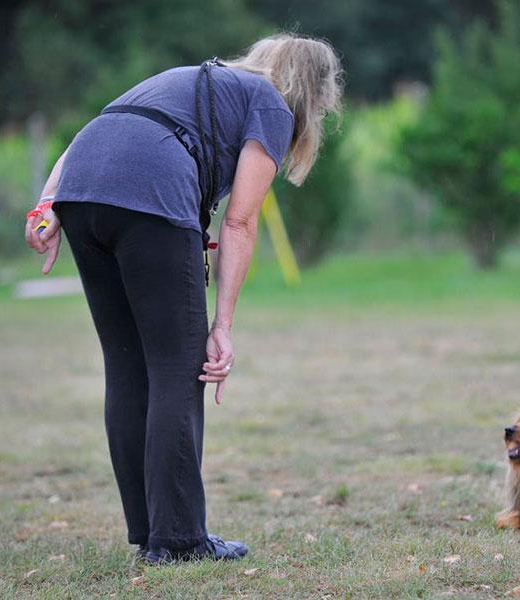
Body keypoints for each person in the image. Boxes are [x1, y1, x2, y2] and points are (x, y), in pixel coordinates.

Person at [23, 33, 343, 565]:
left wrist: (45, 208)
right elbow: (240, 222)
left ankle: (151, 534)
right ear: (311, 92)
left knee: (127, 368)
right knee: (178, 367)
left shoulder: (189, 80)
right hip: (150, 193)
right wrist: (222, 326)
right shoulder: (270, 102)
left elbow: (93, 130)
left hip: (83, 192)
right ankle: (179, 540)